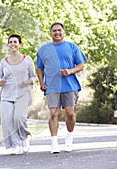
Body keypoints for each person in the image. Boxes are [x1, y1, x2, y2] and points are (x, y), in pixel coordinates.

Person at [36, 22, 87, 154]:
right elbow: (39, 69)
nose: (57, 33)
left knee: (70, 114)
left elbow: (81, 65)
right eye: (54, 31)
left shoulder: (72, 47)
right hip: (52, 87)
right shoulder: (43, 49)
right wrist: (41, 82)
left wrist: (69, 71)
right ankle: (54, 143)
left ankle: (69, 138)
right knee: (53, 114)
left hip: (70, 86)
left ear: (63, 32)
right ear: (51, 33)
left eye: (59, 30)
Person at [0, 34, 36, 155]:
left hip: (23, 94)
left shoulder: (27, 60)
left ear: (19, 45)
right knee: (7, 120)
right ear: (8, 45)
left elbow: (33, 77)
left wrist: (28, 82)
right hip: (6, 94)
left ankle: (24, 137)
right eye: (10, 42)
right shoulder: (3, 61)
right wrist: (0, 82)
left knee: (18, 118)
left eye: (15, 42)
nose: (12, 44)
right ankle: (15, 144)